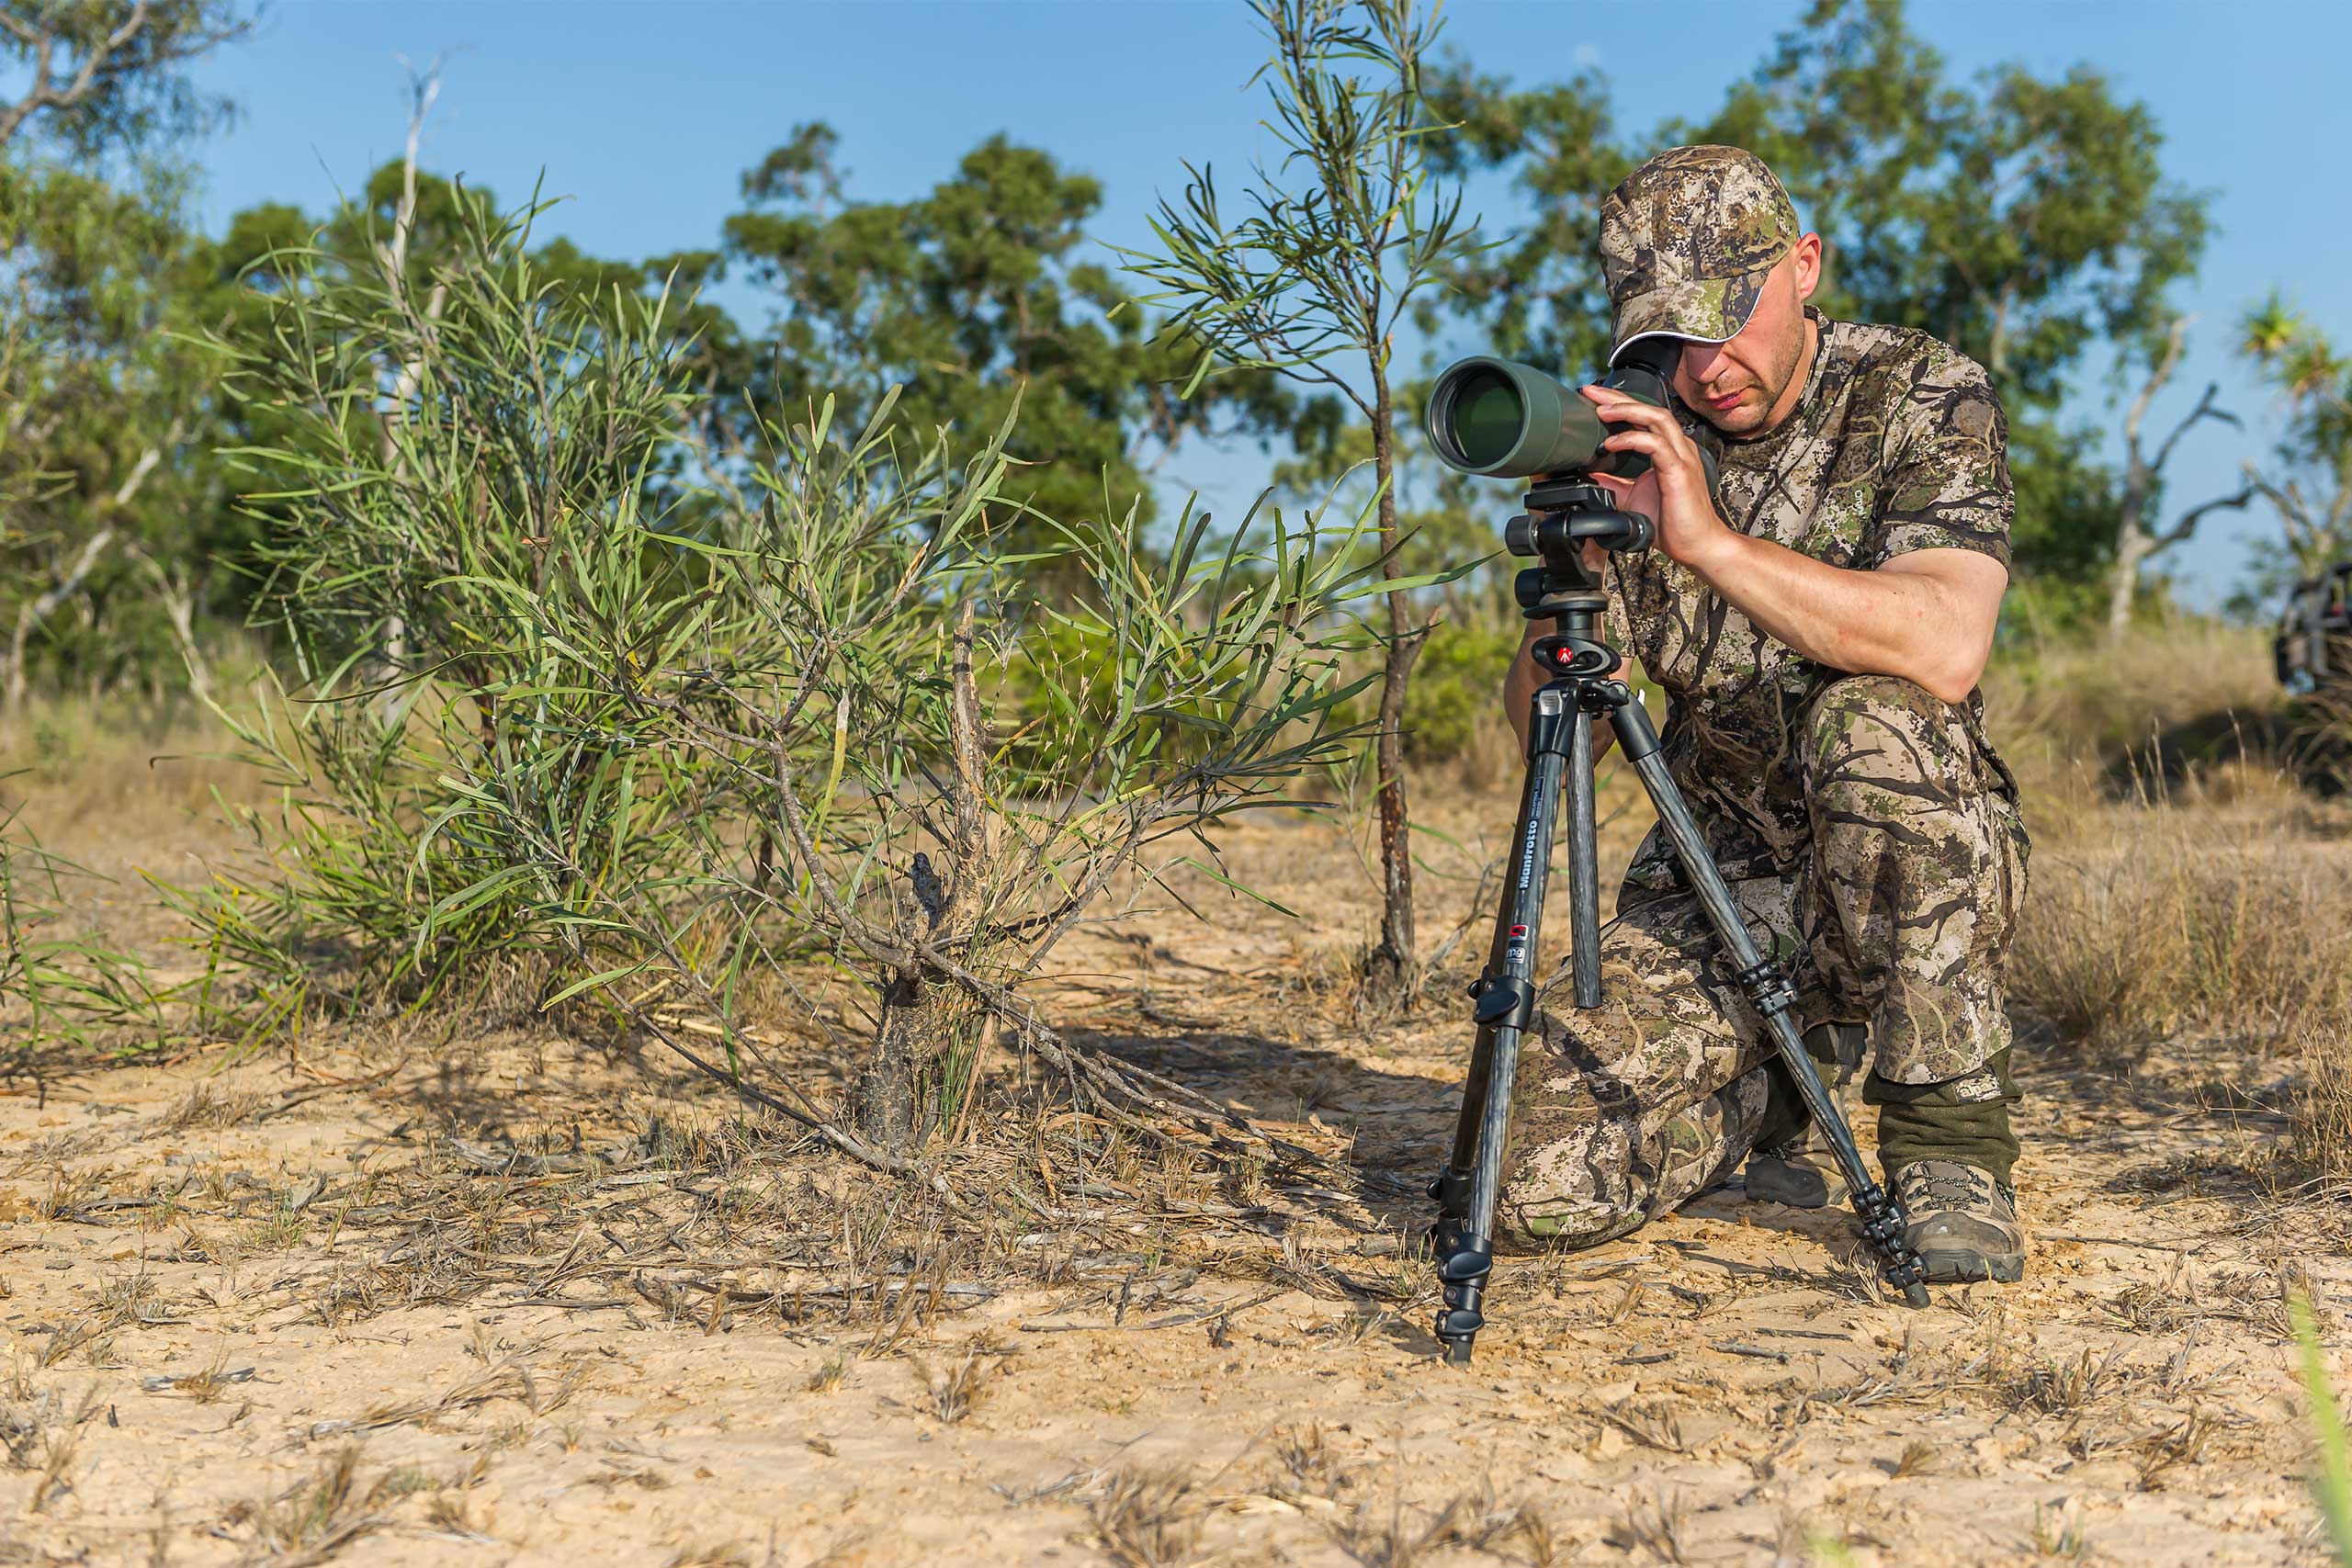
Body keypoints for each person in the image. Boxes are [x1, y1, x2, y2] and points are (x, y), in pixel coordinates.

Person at [1496, 144, 2030, 1282]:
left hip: (1895, 868)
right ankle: (1776, 1082)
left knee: (1877, 720)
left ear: (1805, 264)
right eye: (1666, 341)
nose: (1706, 364)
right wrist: (1566, 594)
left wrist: (1708, 543)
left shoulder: (1920, 393)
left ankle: (1947, 1136)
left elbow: (1943, 643)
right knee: (1525, 1182)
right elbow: (1562, 734)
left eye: (1726, 316)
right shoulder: (1638, 441)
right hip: (1718, 886)